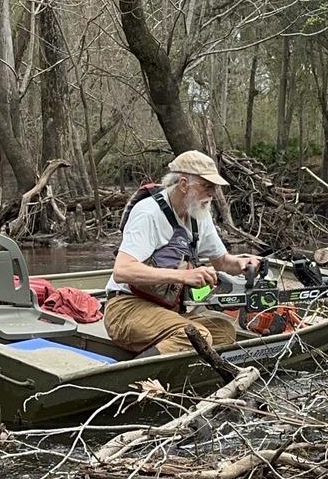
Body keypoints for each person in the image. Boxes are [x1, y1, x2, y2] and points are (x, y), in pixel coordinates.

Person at [104, 150, 261, 355]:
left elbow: (222, 262)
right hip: (126, 309)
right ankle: (139, 379)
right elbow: (122, 270)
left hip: (166, 311)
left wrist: (242, 263)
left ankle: (181, 372)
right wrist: (183, 275)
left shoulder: (199, 213)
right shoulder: (149, 213)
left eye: (215, 187)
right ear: (184, 184)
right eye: (207, 186)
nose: (213, 193)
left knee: (225, 332)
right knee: (198, 336)